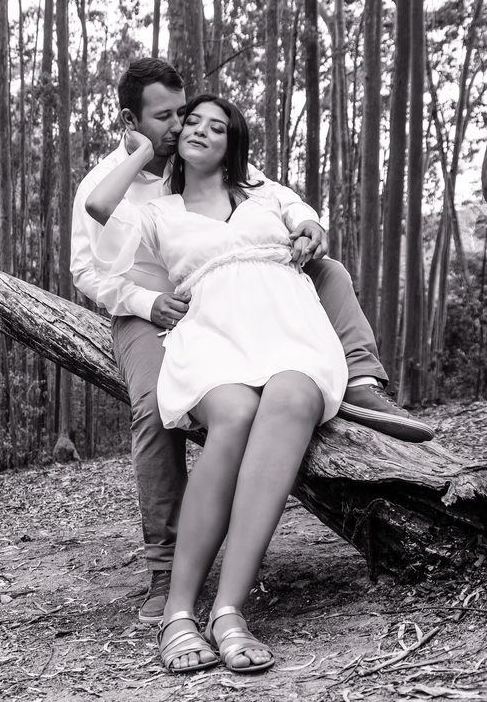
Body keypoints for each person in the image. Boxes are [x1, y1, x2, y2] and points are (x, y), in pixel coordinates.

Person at [68, 58, 433, 628]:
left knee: (330, 271)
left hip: (240, 293)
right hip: (148, 304)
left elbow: (278, 200)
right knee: (154, 409)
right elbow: (89, 272)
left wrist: (311, 224)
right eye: (165, 117)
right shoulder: (112, 185)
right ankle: (168, 573)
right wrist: (147, 304)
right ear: (130, 119)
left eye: (184, 111)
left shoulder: (215, 161)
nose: (180, 124)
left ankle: (362, 385)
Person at [85, 93, 348, 673]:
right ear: (175, 140)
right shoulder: (157, 211)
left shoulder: (264, 194)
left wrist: (308, 227)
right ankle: (179, 613)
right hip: (211, 337)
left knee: (293, 396)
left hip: (288, 327)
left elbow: (306, 216)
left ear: (233, 146)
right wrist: (142, 151)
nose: (201, 131)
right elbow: (100, 205)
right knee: (232, 416)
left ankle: (229, 609)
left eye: (218, 128)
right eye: (191, 124)